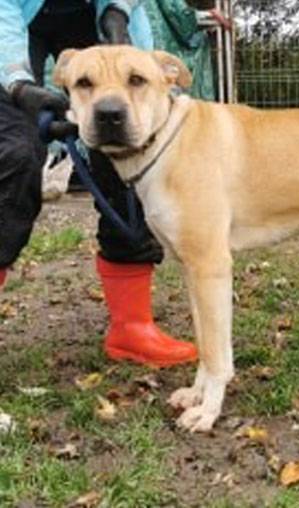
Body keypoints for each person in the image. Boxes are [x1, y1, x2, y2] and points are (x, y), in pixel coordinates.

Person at [0, 0, 198, 367]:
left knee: (135, 151)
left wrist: (119, 9)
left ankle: (132, 328)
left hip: (96, 12)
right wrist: (18, 84)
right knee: (13, 155)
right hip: (11, 17)